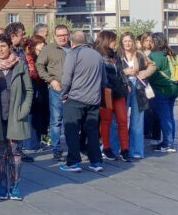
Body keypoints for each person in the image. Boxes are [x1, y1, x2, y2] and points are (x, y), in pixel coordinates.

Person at [0, 34, 32, 201]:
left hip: (15, 116)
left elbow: (29, 90)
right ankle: (1, 187)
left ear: (9, 47)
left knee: (15, 153)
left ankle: (14, 187)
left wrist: (24, 110)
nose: (0, 49)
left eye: (3, 46)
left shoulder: (19, 65)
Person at [59, 31, 106, 173]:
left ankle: (73, 162)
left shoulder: (73, 54)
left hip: (76, 98)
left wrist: (63, 95)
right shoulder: (97, 55)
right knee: (92, 131)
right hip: (94, 99)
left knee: (71, 129)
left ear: (71, 42)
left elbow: (66, 78)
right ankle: (96, 162)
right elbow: (103, 79)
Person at [36, 24, 71, 161]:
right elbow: (39, 66)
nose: (63, 38)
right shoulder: (48, 49)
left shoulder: (73, 48)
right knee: (56, 121)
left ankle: (72, 148)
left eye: (65, 35)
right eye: (60, 35)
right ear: (54, 36)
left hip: (73, 90)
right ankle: (56, 148)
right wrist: (50, 80)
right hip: (57, 88)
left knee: (71, 120)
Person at [94, 30, 131, 162]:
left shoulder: (114, 55)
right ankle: (106, 147)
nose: (115, 43)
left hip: (119, 91)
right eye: (113, 40)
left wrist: (126, 84)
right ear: (107, 40)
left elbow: (121, 72)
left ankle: (125, 149)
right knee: (106, 120)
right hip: (106, 92)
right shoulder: (98, 55)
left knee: (122, 120)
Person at [119, 31, 156, 159]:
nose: (128, 43)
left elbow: (152, 65)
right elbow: (114, 70)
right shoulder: (118, 55)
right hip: (124, 88)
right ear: (121, 43)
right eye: (125, 41)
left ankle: (136, 151)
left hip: (139, 88)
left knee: (137, 120)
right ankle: (121, 148)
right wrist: (125, 71)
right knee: (121, 119)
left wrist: (144, 73)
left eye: (130, 41)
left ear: (133, 42)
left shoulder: (139, 54)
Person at [147, 32, 178, 154]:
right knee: (170, 116)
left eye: (151, 41)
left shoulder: (155, 56)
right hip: (175, 88)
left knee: (165, 117)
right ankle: (169, 140)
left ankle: (168, 143)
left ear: (156, 42)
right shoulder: (170, 53)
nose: (149, 43)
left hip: (161, 90)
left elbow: (150, 74)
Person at [23, 35, 48, 157]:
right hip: (31, 89)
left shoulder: (38, 57)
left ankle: (35, 143)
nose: (43, 45)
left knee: (37, 116)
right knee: (31, 116)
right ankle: (29, 144)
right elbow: (32, 74)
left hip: (38, 89)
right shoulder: (28, 58)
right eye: (40, 44)